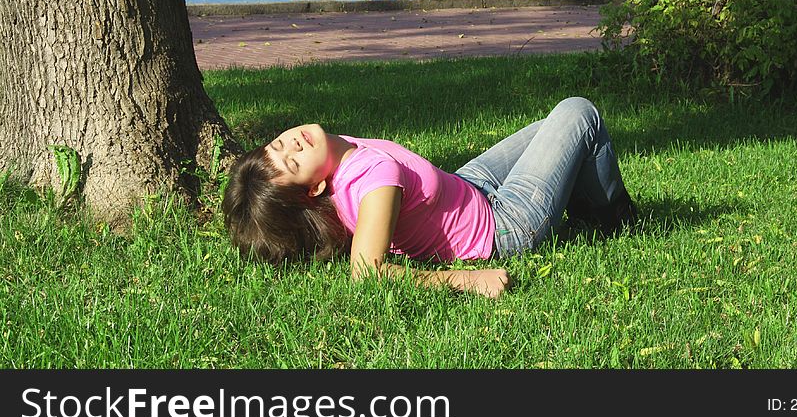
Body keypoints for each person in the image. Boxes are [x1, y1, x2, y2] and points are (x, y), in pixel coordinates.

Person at [221, 97, 637, 299]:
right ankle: (613, 218)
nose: (292, 143)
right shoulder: (372, 178)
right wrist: (468, 280)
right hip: (505, 224)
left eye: (279, 144)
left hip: (471, 185)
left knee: (557, 126)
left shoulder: (334, 156)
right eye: (292, 162)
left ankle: (584, 206)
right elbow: (366, 273)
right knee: (579, 114)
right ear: (314, 189)